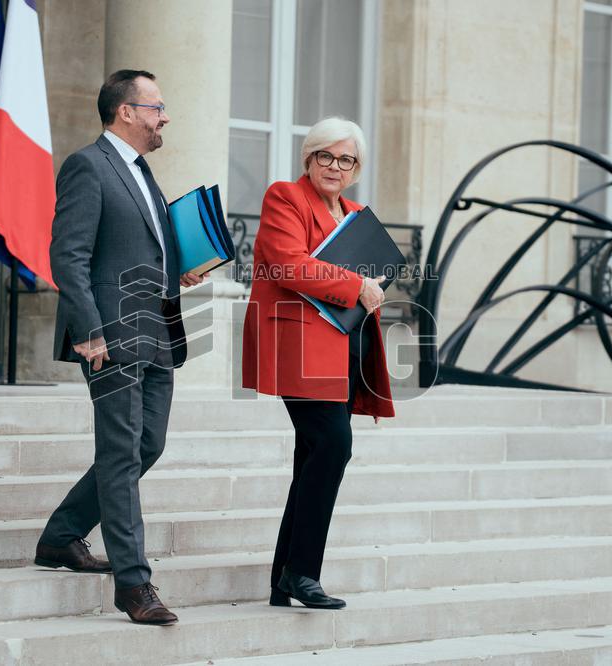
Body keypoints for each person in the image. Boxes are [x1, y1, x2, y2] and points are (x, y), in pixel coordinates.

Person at [35, 69, 204, 626]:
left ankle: (61, 535)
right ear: (126, 111)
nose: (165, 117)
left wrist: (178, 270)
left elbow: (141, 247)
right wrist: (89, 330)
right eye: (157, 107)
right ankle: (134, 585)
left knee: (147, 445)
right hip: (110, 337)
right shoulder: (88, 165)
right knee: (120, 452)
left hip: (156, 332)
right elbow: (69, 256)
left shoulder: (143, 172)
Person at [242, 117, 395, 609]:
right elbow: (287, 263)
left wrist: (370, 289)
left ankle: (283, 579)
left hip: (345, 348)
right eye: (325, 156)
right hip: (300, 347)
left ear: (356, 169)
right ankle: (302, 573)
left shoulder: (357, 213)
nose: (335, 166)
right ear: (309, 158)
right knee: (333, 445)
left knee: (312, 455)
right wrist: (356, 285)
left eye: (346, 159)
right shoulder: (285, 197)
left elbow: (370, 279)